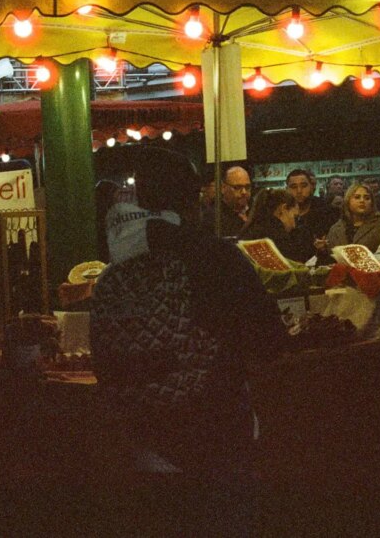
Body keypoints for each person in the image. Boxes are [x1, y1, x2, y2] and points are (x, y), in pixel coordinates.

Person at [91, 148, 286, 533]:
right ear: (193, 198)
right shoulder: (216, 257)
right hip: (219, 440)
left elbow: (104, 362)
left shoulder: (116, 265)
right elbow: (269, 341)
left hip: (147, 445)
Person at [239, 188, 311, 263]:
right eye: (295, 217)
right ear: (284, 209)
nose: (294, 225)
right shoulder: (279, 236)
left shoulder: (252, 228)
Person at [324, 183, 380, 251]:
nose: (362, 200)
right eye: (357, 197)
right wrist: (322, 250)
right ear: (348, 201)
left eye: (367, 198)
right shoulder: (336, 229)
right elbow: (330, 256)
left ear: (372, 202)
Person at [285, 169, 336, 248]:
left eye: (304, 185)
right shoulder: (281, 212)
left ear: (311, 187)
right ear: (287, 189)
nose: (299, 191)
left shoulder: (326, 211)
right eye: (294, 187)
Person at [210, 165, 252, 237]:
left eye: (247, 187)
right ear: (223, 188)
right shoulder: (215, 217)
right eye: (237, 187)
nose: (244, 192)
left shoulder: (256, 211)